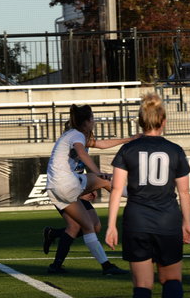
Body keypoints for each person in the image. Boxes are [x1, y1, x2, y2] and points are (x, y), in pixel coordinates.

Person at [105, 93, 190, 298]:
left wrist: (111, 225)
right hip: (168, 221)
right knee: (171, 278)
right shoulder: (175, 150)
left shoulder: (127, 150)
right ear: (163, 121)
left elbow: (116, 189)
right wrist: (187, 222)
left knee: (142, 285)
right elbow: (184, 192)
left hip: (137, 222)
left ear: (140, 121)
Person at [43, 104, 138, 275]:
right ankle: (139, 197)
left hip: (56, 187)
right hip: (67, 184)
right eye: (92, 118)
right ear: (86, 122)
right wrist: (97, 173)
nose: (94, 121)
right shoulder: (77, 135)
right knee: (105, 180)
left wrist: (128, 140)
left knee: (87, 226)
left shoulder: (75, 136)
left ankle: (59, 262)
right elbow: (82, 153)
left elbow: (100, 144)